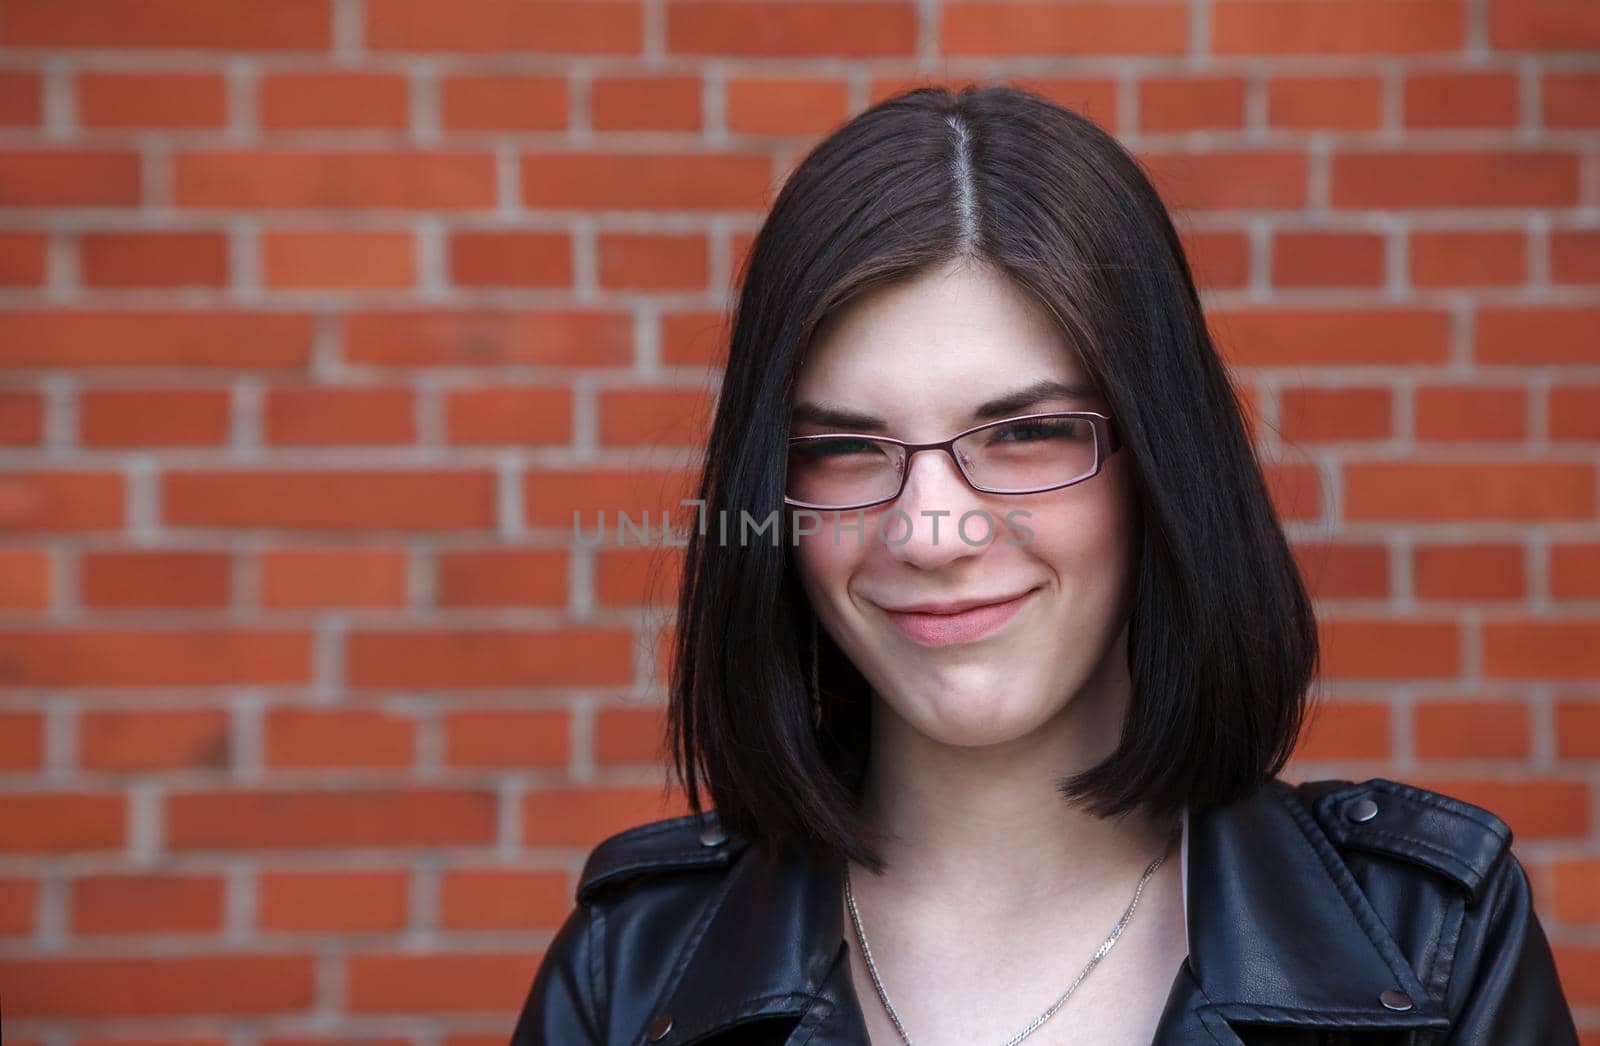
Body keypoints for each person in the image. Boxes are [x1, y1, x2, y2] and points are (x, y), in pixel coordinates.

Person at [510, 84, 1580, 1045]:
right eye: (841, 448)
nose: (930, 534)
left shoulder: (1430, 944)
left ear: (1160, 462)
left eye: (1023, 436)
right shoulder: (633, 971)